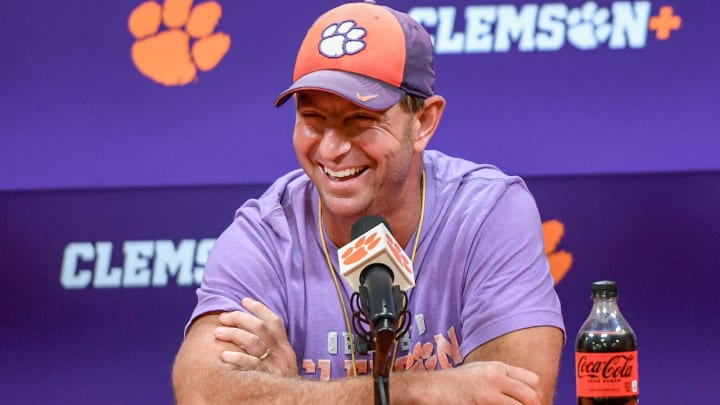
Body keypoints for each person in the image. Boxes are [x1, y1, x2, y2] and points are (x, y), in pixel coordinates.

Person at [172, 1, 564, 404]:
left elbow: (515, 397)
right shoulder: (266, 235)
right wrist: (425, 392)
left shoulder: (487, 213)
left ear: (424, 122)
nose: (331, 148)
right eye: (312, 120)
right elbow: (202, 393)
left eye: (359, 120)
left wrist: (290, 392)